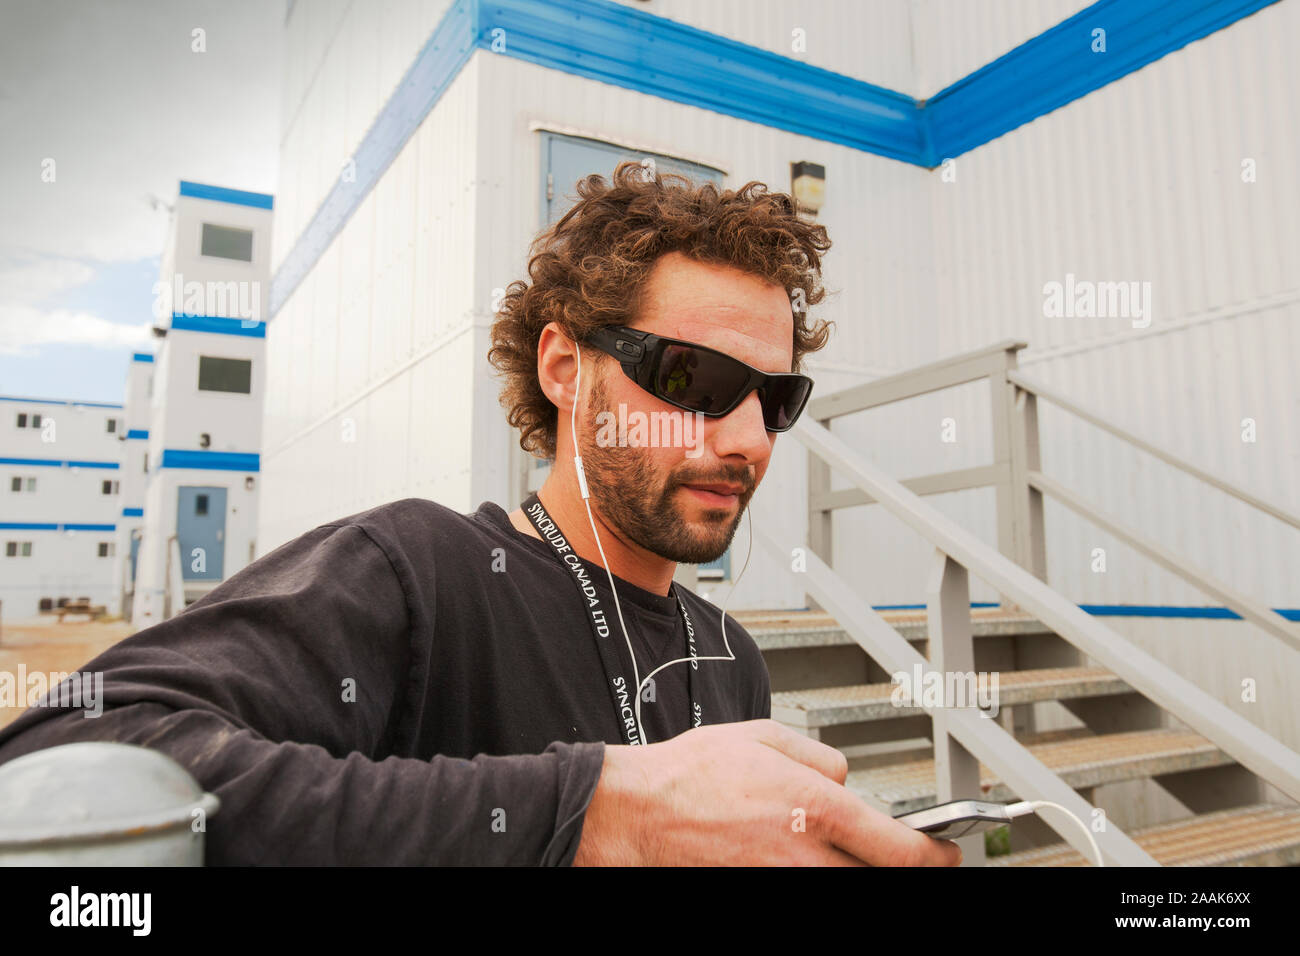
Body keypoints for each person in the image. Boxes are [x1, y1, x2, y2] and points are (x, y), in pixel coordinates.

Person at [0, 163, 960, 867]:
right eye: (693, 378)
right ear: (563, 367)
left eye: (775, 399)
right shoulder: (419, 573)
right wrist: (598, 813)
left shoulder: (728, 654)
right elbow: (65, 763)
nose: (749, 438)